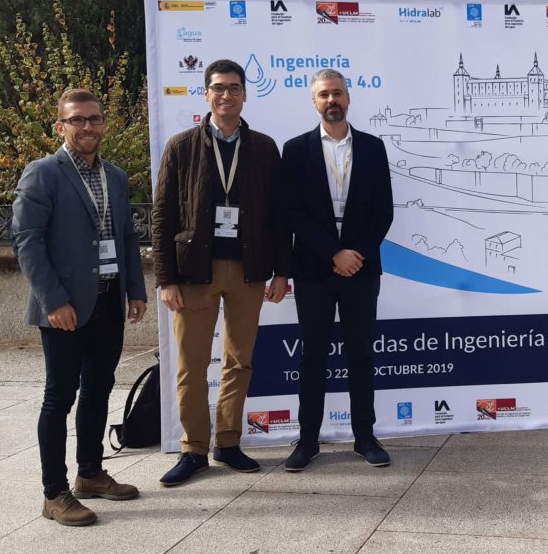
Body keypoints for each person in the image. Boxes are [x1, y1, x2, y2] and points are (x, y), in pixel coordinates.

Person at [152, 59, 290, 487]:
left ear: (245, 95)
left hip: (249, 271)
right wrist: (165, 278)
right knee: (191, 365)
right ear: (206, 95)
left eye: (234, 88)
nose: (226, 95)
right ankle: (193, 449)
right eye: (218, 88)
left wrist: (282, 271)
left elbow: (278, 215)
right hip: (195, 271)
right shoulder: (181, 146)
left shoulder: (265, 147)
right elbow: (162, 215)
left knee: (239, 361)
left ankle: (228, 442)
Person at [13, 89, 147, 526]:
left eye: (94, 119)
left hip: (109, 299)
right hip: (65, 307)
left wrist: (136, 289)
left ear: (104, 123)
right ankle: (55, 493)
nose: (87, 127)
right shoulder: (42, 174)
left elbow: (126, 236)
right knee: (59, 397)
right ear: (61, 126)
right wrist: (54, 301)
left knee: (99, 389)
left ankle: (91, 474)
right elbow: (27, 242)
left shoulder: (116, 176)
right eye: (78, 120)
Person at [280, 68, 394, 471]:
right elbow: (291, 212)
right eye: (324, 95)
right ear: (314, 101)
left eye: (338, 93)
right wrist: (334, 253)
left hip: (362, 269)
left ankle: (365, 437)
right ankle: (307, 440)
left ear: (349, 99)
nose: (332, 100)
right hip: (314, 270)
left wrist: (355, 254)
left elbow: (384, 212)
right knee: (313, 356)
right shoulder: (294, 150)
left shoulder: (373, 147)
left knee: (361, 353)